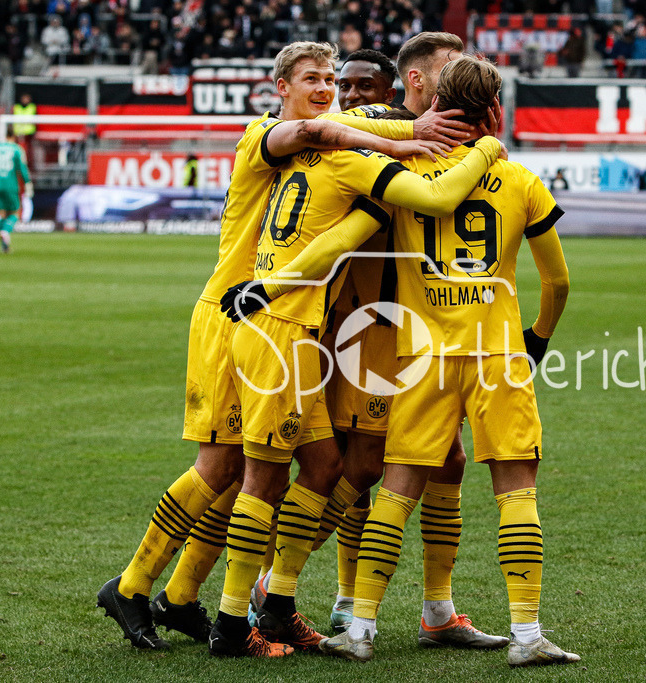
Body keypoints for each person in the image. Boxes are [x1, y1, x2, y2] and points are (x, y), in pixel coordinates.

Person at [96, 39, 476, 656]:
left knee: (305, 469)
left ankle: (190, 595)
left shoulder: (323, 150)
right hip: (241, 313)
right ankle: (143, 588)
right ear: (279, 87)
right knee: (227, 470)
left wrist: (400, 135)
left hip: (287, 320)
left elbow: (334, 138)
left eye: (335, 79)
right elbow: (317, 131)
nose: (329, 89)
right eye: (315, 78)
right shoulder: (265, 137)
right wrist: (411, 134)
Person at [208, 41, 503, 659]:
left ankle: (429, 607)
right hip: (356, 328)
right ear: (421, 79)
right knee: (341, 468)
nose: (343, 95)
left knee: (427, 463)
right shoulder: (360, 135)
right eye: (329, 83)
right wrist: (453, 144)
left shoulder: (386, 133)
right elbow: (384, 204)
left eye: (346, 84)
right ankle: (264, 601)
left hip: (417, 330)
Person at [296, 55, 580, 668]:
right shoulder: (522, 180)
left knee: (397, 491)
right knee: (516, 488)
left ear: (436, 107)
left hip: (420, 355)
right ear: (497, 112)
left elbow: (343, 240)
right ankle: (527, 635)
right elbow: (557, 282)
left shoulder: (406, 176)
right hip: (498, 354)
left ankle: (361, 627)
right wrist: (535, 340)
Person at [296, 35, 506, 649]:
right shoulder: (380, 133)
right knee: (359, 467)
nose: (464, 80)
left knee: (447, 461)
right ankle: (275, 586)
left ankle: (436, 610)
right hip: (373, 328)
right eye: (450, 71)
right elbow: (334, 129)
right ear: (418, 83)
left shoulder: (439, 145)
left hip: (433, 333)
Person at [0, 129, 31, 254]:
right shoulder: (16, 149)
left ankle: (4, 246)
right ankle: (5, 231)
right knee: (15, 213)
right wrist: (27, 183)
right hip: (10, 184)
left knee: (2, 214)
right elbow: (22, 168)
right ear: (14, 137)